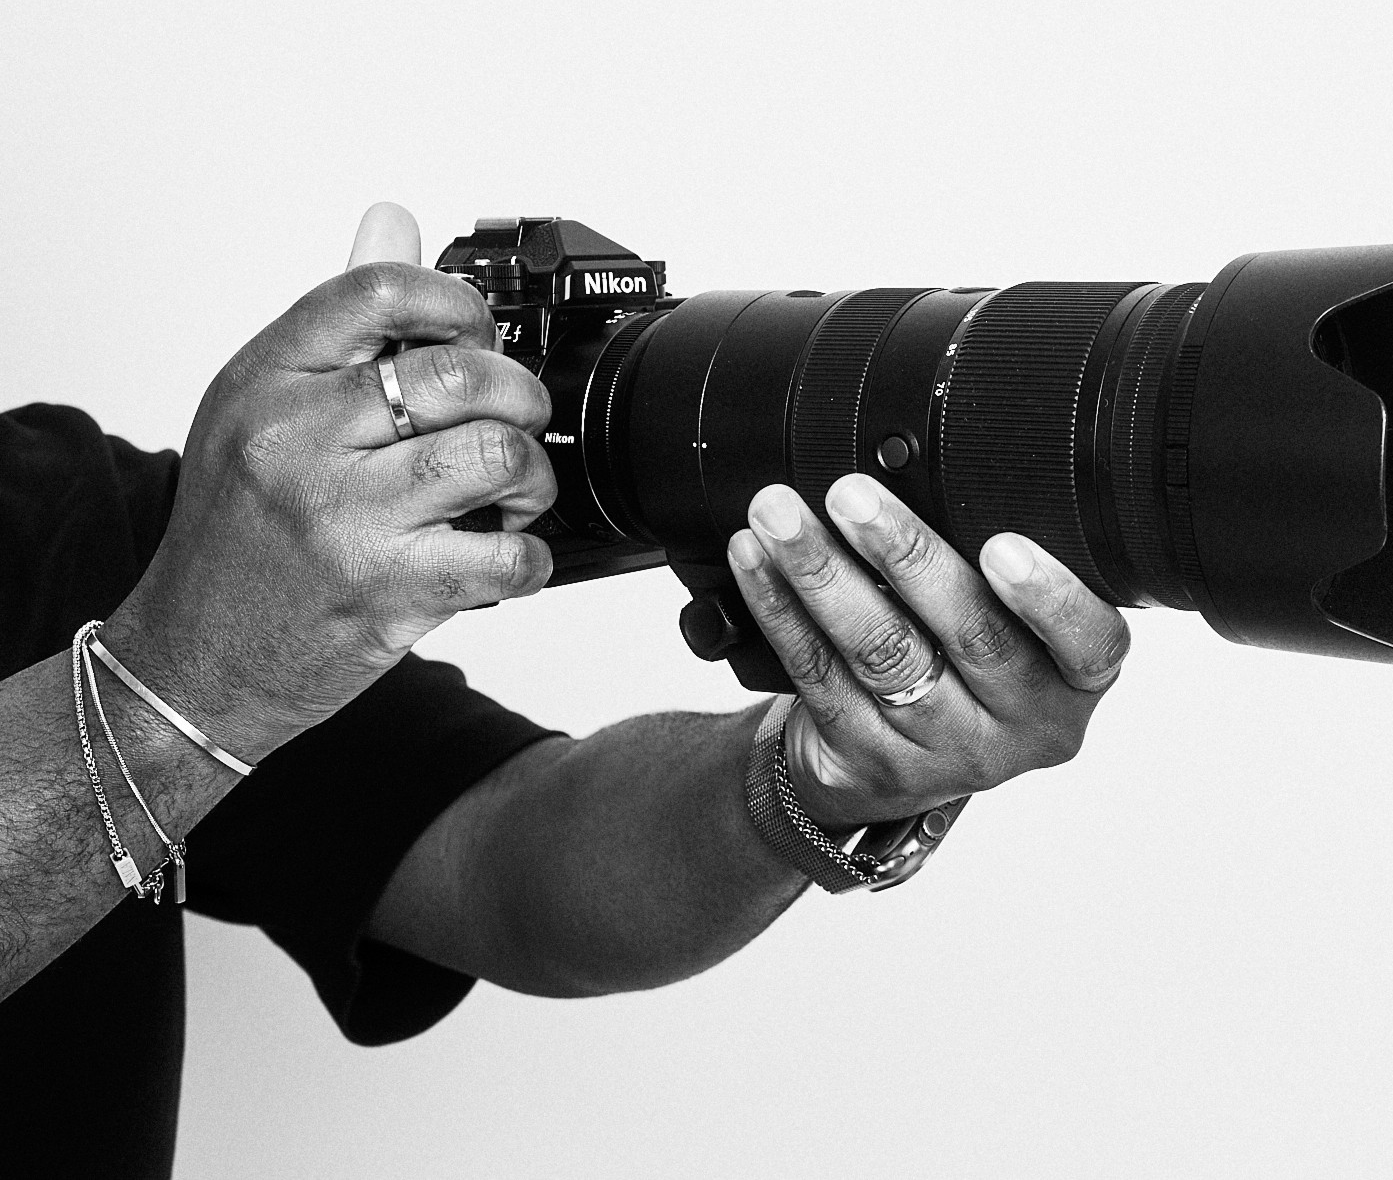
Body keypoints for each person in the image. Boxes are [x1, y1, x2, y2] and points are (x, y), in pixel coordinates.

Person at [0, 203, 1130, 1177]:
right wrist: (181, 685)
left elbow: (502, 858)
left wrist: (819, 776)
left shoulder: (49, 513)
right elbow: (180, 683)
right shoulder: (153, 631)